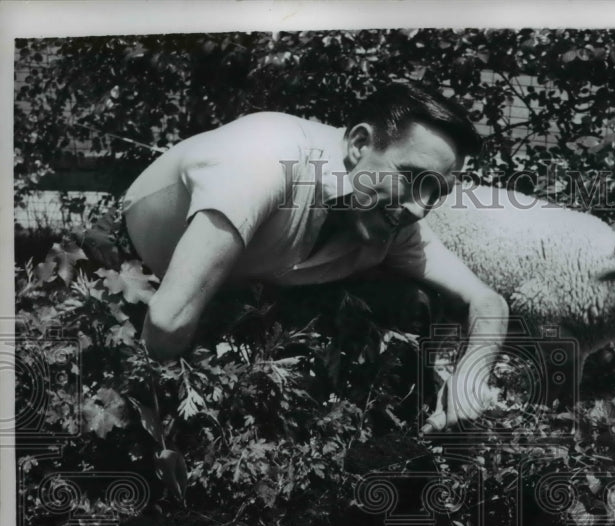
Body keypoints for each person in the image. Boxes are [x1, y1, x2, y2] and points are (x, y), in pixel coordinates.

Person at [122, 82, 509, 431]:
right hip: (137, 270)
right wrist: (164, 428)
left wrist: (470, 380)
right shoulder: (262, 157)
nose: (420, 209)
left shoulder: (391, 216)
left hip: (241, 296)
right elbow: (167, 318)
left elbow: (488, 302)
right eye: (412, 178)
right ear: (359, 145)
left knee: (414, 301)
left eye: (436, 192)